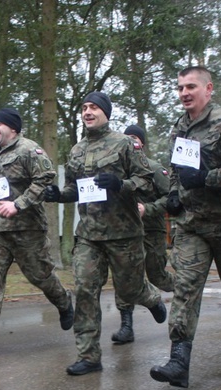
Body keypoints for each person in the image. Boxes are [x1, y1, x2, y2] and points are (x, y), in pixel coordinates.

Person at [150, 66, 221, 389]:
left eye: (191, 87)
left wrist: (207, 178)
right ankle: (179, 362)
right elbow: (175, 169)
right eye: (180, 87)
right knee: (185, 289)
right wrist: (173, 195)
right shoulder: (178, 128)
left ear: (208, 89)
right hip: (191, 226)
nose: (184, 93)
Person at [44, 91, 167, 375]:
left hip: (124, 234)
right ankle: (89, 356)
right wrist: (58, 195)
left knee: (129, 290)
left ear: (106, 113)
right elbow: (76, 189)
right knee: (85, 289)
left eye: (94, 108)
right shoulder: (76, 150)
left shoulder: (125, 144)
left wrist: (120, 184)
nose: (87, 112)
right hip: (89, 235)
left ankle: (151, 298)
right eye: (84, 107)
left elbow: (146, 181)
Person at [0, 108, 74, 356]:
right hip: (0, 231)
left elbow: (45, 179)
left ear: (12, 127)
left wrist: (18, 204)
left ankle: (64, 301)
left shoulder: (29, 149)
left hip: (28, 230)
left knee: (40, 276)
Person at [109, 124, 175, 345]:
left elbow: (171, 198)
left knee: (157, 275)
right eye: (126, 138)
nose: (130, 141)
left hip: (151, 231)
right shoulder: (117, 173)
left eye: (134, 138)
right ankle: (126, 326)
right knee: (124, 276)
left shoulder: (154, 169)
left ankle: (186, 287)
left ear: (142, 144)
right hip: (125, 233)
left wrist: (148, 209)